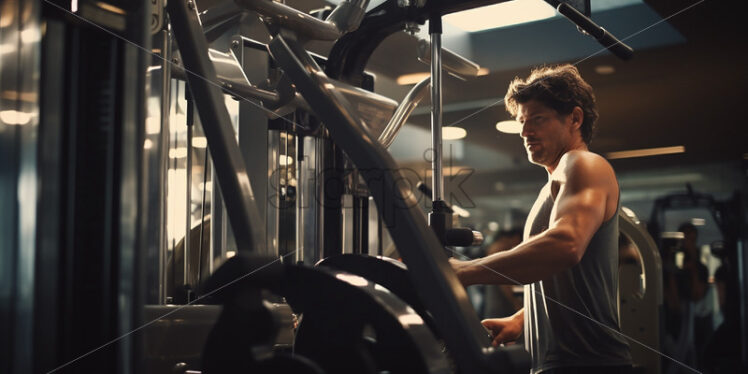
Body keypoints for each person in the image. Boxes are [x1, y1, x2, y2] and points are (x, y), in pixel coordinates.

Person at [450, 65, 633, 373]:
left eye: (537, 119)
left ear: (575, 118)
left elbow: (565, 245)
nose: (524, 132)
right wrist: (522, 319)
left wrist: (465, 271)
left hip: (589, 364)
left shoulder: (583, 163)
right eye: (522, 121)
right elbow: (562, 274)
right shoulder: (555, 182)